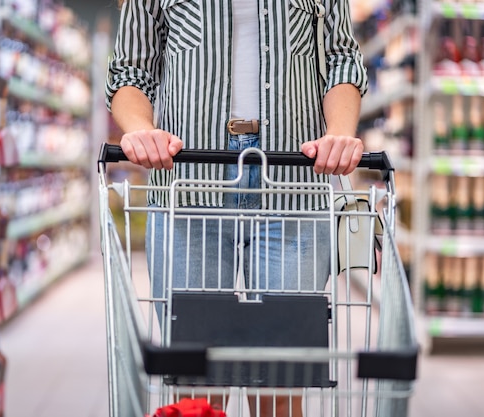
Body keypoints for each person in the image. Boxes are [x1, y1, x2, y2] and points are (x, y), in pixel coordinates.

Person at [106, 1, 368, 416]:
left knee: (280, 381)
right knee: (198, 383)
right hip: (188, 186)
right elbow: (130, 72)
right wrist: (140, 130)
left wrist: (339, 134)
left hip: (291, 184)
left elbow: (340, 60)